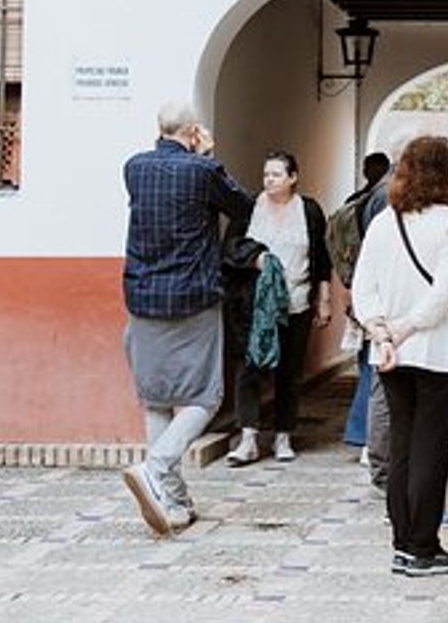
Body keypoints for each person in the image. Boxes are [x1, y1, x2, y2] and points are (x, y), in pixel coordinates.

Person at [119, 102, 253, 536]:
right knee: (205, 397)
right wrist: (207, 155)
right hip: (194, 297)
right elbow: (244, 209)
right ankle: (157, 468)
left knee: (157, 398)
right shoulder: (202, 170)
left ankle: (174, 501)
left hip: (143, 295)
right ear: (193, 131)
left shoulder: (134, 167)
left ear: (159, 127)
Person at [351, 136, 448, 577]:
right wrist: (404, 328)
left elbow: (363, 286)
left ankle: (402, 542)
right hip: (437, 349)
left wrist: (380, 330)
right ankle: (423, 546)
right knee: (431, 449)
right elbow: (443, 292)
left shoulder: (385, 221)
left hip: (390, 352)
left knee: (402, 445)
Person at [225, 152, 334, 466]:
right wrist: (255, 258)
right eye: (266, 175)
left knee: (289, 371)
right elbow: (229, 248)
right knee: (249, 368)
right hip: (255, 305)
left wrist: (324, 299)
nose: (269, 180)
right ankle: (248, 437)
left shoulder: (309, 210)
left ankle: (283, 436)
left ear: (293, 178)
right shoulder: (250, 208)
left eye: (275, 174)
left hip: (296, 303)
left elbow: (320, 258)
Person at [340, 152, 392, 453]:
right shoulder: (385, 200)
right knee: (375, 368)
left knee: (368, 364)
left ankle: (360, 433)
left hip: (362, 288)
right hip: (377, 294)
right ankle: (365, 435)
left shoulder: (360, 199)